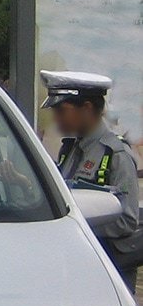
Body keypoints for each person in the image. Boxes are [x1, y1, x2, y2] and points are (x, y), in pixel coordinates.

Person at [42, 69, 140, 291]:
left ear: (86, 108)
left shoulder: (116, 155)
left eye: (61, 110)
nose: (56, 118)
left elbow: (127, 220)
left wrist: (78, 226)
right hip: (77, 266)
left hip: (108, 274)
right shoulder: (72, 149)